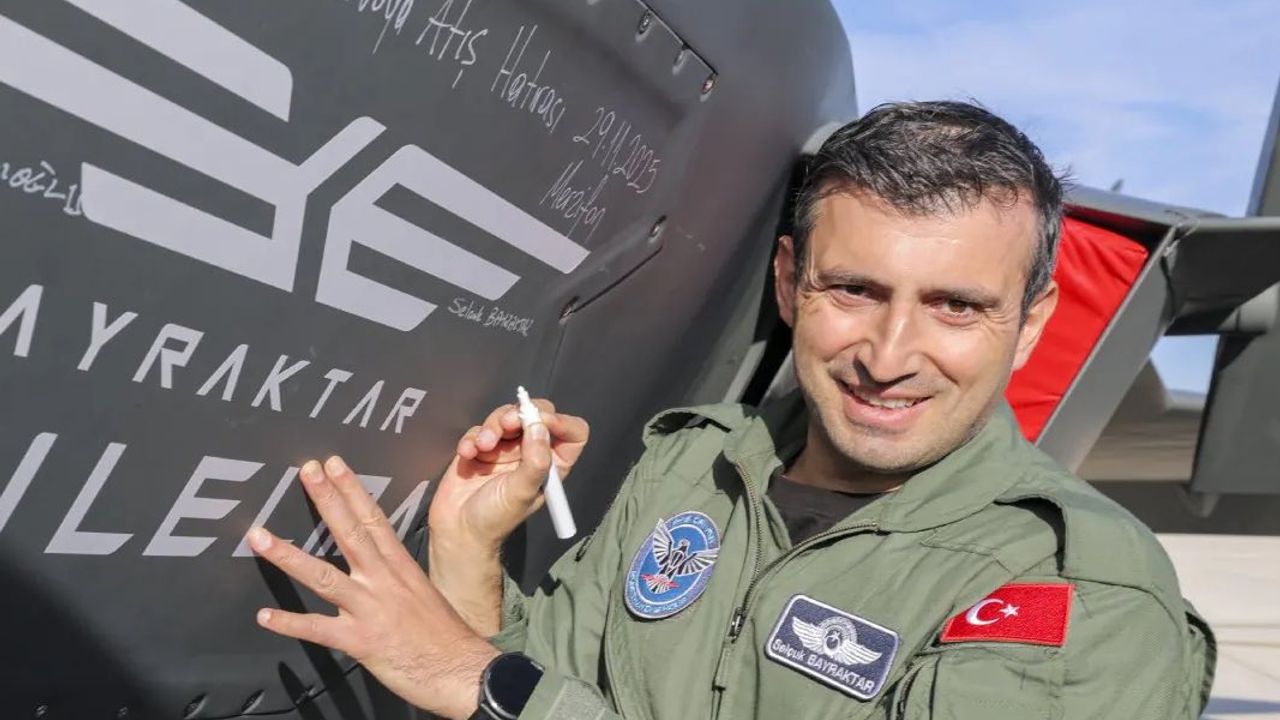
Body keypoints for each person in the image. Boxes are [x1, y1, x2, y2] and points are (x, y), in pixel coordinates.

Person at [245, 101, 1216, 719]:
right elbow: (541, 679)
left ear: (1029, 322)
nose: (887, 357)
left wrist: (484, 685)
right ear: (790, 282)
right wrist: (468, 547)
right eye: (853, 290)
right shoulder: (696, 467)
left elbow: (506, 697)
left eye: (955, 307)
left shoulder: (1072, 588)